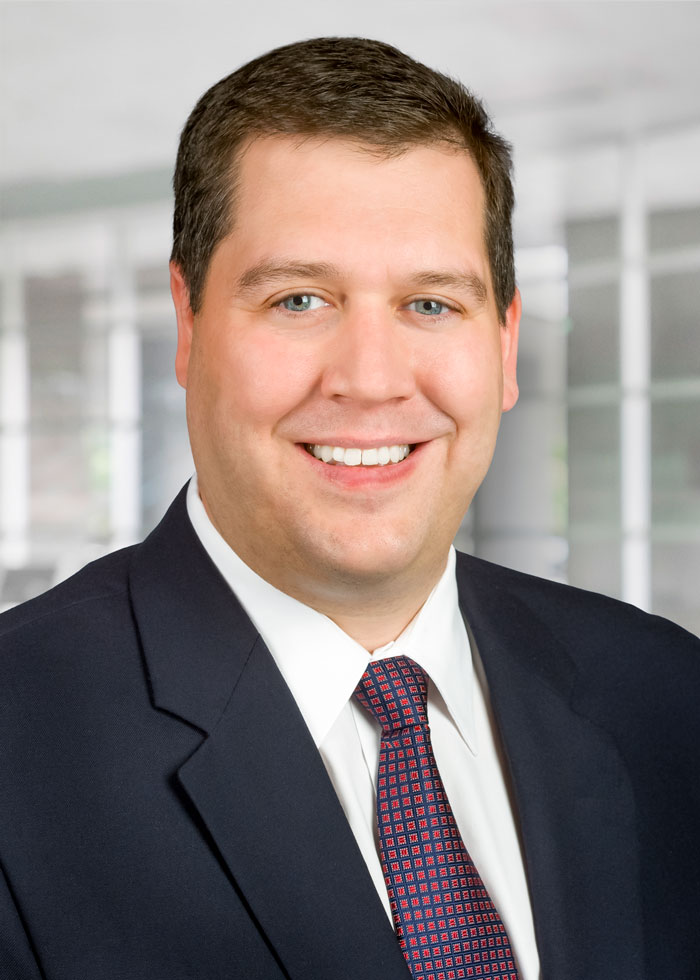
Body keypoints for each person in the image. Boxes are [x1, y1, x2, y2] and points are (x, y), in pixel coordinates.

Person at [1, 36, 698, 980]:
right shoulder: (21, 742)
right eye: (299, 299)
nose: (370, 382)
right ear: (189, 323)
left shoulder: (665, 694)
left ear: (504, 344)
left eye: (431, 305)